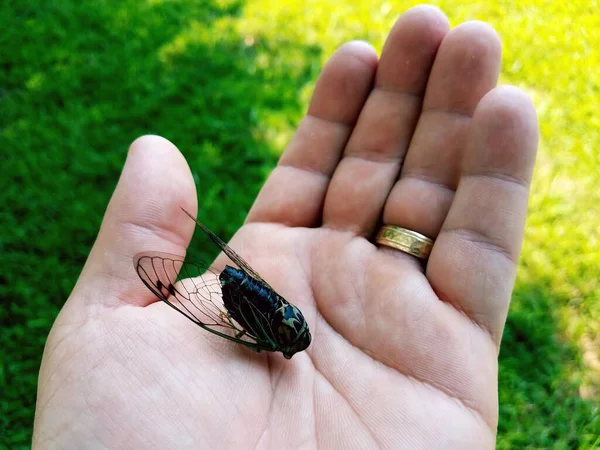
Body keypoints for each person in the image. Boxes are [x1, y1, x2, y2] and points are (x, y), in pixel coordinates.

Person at [32, 5, 538, 449]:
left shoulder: (278, 334)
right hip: (240, 304)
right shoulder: (273, 341)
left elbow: (247, 331)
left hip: (246, 301)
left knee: (233, 292)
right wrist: (258, 331)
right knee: (227, 302)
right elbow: (238, 332)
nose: (292, 344)